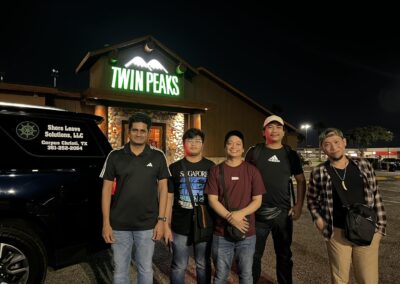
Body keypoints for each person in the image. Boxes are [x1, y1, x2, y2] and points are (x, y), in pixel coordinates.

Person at [307, 128, 387, 284]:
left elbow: (376, 194)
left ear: (344, 143)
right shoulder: (319, 171)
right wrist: (319, 221)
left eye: (336, 142)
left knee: (368, 279)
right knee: (339, 279)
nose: (333, 147)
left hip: (367, 229)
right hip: (336, 231)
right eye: (327, 144)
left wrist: (380, 228)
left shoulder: (363, 165)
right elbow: (312, 199)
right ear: (323, 149)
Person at [100, 112, 170, 284]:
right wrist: (106, 223)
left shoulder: (158, 156)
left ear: (147, 132)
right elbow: (106, 190)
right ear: (129, 131)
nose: (139, 134)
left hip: (147, 225)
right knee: (120, 270)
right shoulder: (115, 156)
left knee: (145, 268)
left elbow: (163, 189)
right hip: (119, 225)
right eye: (135, 130)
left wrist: (161, 221)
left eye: (143, 131)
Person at [245, 115, 306, 284]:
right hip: (257, 213)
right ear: (263, 132)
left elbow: (301, 180)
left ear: (284, 132)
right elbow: (245, 180)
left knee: (284, 256)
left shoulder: (290, 154)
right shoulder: (254, 152)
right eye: (270, 127)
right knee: (253, 255)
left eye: (278, 127)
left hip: (283, 214)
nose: (274, 130)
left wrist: (299, 206)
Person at [205, 130, 265, 284]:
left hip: (247, 232)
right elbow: (212, 200)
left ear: (243, 148)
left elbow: (257, 200)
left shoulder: (252, 171)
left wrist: (239, 214)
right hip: (221, 232)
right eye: (230, 143)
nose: (234, 146)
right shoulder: (215, 171)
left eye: (238, 144)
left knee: (246, 275)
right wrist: (231, 218)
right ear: (225, 147)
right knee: (220, 276)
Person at [164, 128, 215, 284]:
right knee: (179, 265)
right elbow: (169, 197)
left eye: (197, 141)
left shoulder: (211, 167)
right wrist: (166, 224)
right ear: (184, 143)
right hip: (180, 224)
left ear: (203, 144)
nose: (193, 144)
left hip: (204, 224)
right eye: (190, 141)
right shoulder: (174, 168)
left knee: (202, 264)